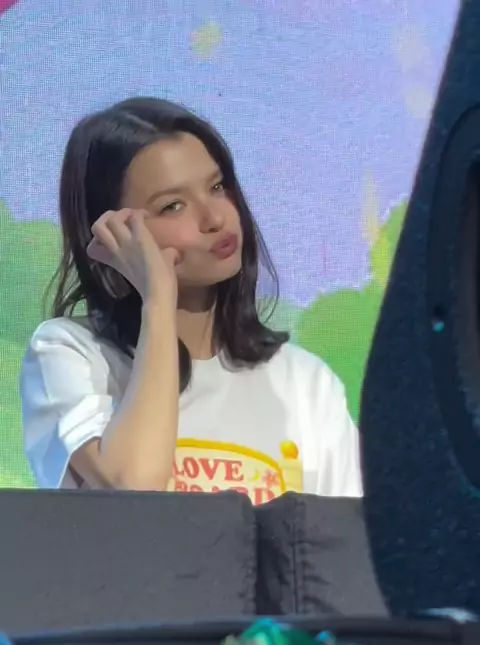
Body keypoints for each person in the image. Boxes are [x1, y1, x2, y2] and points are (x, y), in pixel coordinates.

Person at [20, 97, 362, 505]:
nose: (215, 218)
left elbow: (351, 540)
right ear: (111, 234)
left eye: (217, 187)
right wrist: (158, 299)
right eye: (173, 206)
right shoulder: (71, 354)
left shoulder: (306, 383)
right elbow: (134, 494)